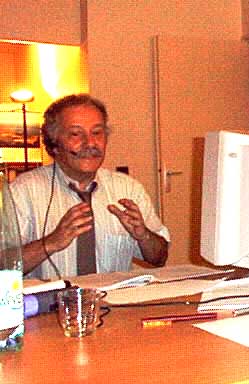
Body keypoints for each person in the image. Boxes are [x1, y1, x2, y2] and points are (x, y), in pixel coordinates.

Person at [11, 94, 170, 280]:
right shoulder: (24, 190)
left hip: (116, 297)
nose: (90, 143)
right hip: (51, 298)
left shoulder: (128, 189)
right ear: (54, 144)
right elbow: (3, 266)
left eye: (97, 133)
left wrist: (144, 236)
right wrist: (50, 243)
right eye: (76, 134)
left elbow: (159, 258)